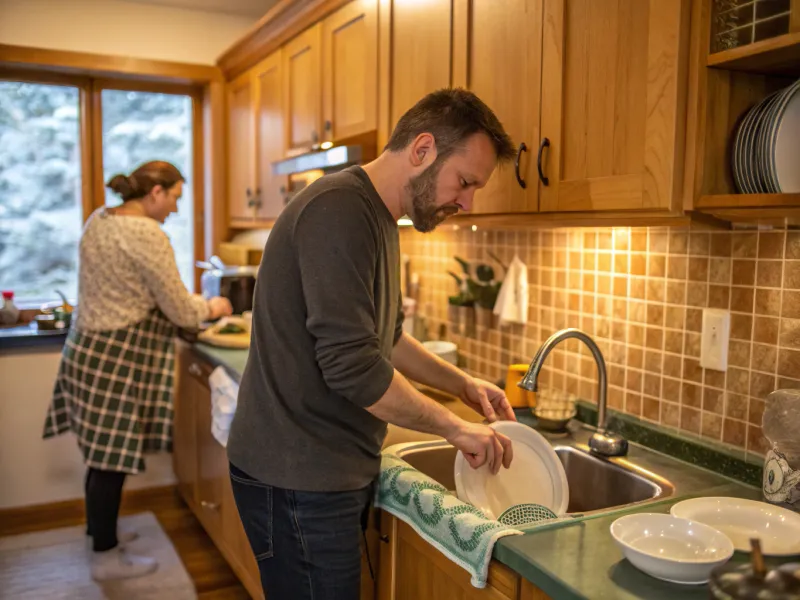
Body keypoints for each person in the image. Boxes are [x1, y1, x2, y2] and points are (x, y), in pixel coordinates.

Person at [227, 89, 518, 600]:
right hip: (297, 477)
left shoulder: (380, 216)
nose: (467, 202)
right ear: (423, 150)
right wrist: (456, 428)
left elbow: (386, 336)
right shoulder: (339, 210)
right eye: (466, 182)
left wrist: (464, 386)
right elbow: (353, 368)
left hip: (319, 470)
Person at [43, 161, 233, 581]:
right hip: (115, 358)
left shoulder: (100, 218)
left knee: (100, 455)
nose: (176, 209)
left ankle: (100, 534)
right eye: (176, 198)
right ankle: (106, 559)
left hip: (87, 351)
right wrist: (214, 306)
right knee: (111, 460)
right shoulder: (147, 233)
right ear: (155, 194)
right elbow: (180, 306)